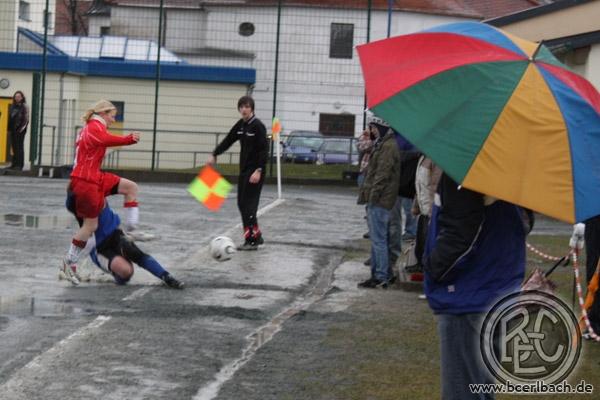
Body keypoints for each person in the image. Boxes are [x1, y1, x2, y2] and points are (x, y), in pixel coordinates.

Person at [423, 173, 532, 399]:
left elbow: (460, 235)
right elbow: (525, 222)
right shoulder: (515, 170)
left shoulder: (467, 170)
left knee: (463, 391)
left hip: (469, 297)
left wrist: (433, 270)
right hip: (497, 289)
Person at [61, 100, 141, 285]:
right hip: (86, 182)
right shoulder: (93, 127)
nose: (113, 120)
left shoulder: (94, 126)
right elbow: (104, 140)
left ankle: (132, 231)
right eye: (112, 116)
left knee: (130, 187)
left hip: (94, 178)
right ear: (103, 113)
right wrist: (127, 139)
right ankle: (69, 262)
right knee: (90, 226)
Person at [65, 191, 184, 289]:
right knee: (126, 271)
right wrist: (71, 263)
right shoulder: (75, 198)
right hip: (99, 248)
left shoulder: (99, 182)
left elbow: (129, 188)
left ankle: (166, 276)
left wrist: (131, 225)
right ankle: (118, 274)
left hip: (115, 234)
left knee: (133, 252)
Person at [207, 96, 268, 251]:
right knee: (242, 204)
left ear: (252, 108)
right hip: (244, 171)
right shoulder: (241, 125)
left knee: (249, 205)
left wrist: (258, 170)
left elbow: (264, 150)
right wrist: (215, 153)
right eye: (241, 107)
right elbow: (229, 139)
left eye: (246, 106)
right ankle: (257, 235)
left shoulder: (258, 126)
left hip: (255, 172)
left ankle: (252, 241)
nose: (244, 109)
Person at [357, 116, 401, 288]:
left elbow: (381, 175)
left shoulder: (388, 147)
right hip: (381, 198)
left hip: (380, 200)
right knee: (379, 238)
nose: (372, 131)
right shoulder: (385, 144)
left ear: (381, 127)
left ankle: (380, 275)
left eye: (374, 127)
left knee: (379, 239)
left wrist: (372, 197)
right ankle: (382, 273)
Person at [7, 91, 29, 170]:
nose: (17, 98)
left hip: (20, 130)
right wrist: (9, 129)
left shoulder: (24, 106)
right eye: (16, 96)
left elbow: (26, 120)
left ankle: (19, 165)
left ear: (22, 97)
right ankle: (14, 164)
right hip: (13, 130)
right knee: (14, 147)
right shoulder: (13, 106)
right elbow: (10, 118)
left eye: (19, 96)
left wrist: (21, 130)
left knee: (19, 147)